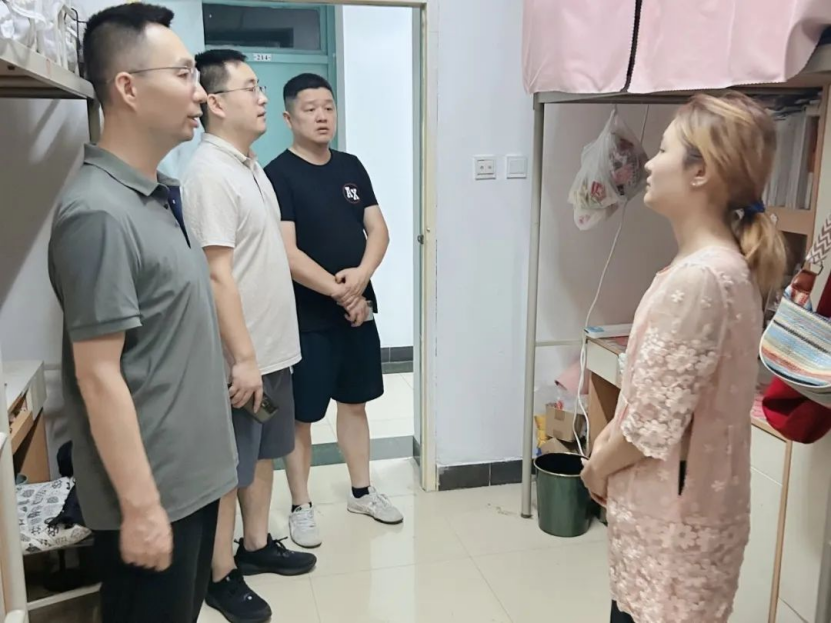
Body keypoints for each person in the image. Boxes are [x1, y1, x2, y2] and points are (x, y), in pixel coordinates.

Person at [47, 5, 238, 622]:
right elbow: (98, 374)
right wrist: (141, 508)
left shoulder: (156, 196)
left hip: (192, 485)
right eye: (183, 74)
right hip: (155, 498)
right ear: (128, 88)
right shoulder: (97, 214)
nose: (200, 93)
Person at [581, 92, 787, 623]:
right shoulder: (716, 268)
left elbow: (649, 427)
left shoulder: (701, 278)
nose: (648, 164)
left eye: (664, 150)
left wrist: (596, 468)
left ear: (701, 171)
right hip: (680, 517)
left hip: (673, 527)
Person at [182, 50, 317, 623]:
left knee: (264, 454)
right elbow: (217, 276)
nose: (263, 98)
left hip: (272, 350)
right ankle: (220, 574)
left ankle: (256, 545)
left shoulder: (248, 165)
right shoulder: (208, 174)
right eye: (252, 88)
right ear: (216, 102)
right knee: (228, 472)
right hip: (242, 359)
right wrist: (241, 359)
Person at [264, 73, 403, 548]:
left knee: (355, 402)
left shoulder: (350, 166)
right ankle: (301, 505)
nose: (322, 116)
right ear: (289, 118)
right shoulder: (279, 174)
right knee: (302, 415)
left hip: (357, 310)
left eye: (328, 107)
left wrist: (361, 277)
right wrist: (342, 292)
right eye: (310, 109)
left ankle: (361, 492)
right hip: (308, 317)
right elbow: (288, 252)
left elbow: (378, 230)